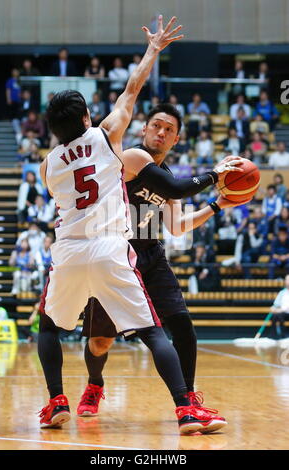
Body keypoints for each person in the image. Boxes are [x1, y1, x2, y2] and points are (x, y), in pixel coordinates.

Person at [38, 16, 224, 434]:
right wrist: (154, 48)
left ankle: (55, 402)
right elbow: (132, 88)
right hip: (110, 248)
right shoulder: (107, 136)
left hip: (68, 250)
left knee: (49, 328)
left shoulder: (47, 165)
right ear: (87, 118)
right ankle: (186, 409)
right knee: (153, 333)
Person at [79, 102, 243, 424]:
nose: (161, 132)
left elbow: (177, 225)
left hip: (152, 257)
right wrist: (216, 174)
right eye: (156, 125)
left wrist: (217, 205)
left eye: (169, 130)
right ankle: (95, 384)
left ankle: (189, 398)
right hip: (116, 256)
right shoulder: (132, 157)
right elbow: (176, 187)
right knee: (100, 341)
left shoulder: (167, 176)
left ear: (176, 140)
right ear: (144, 129)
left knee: (182, 324)